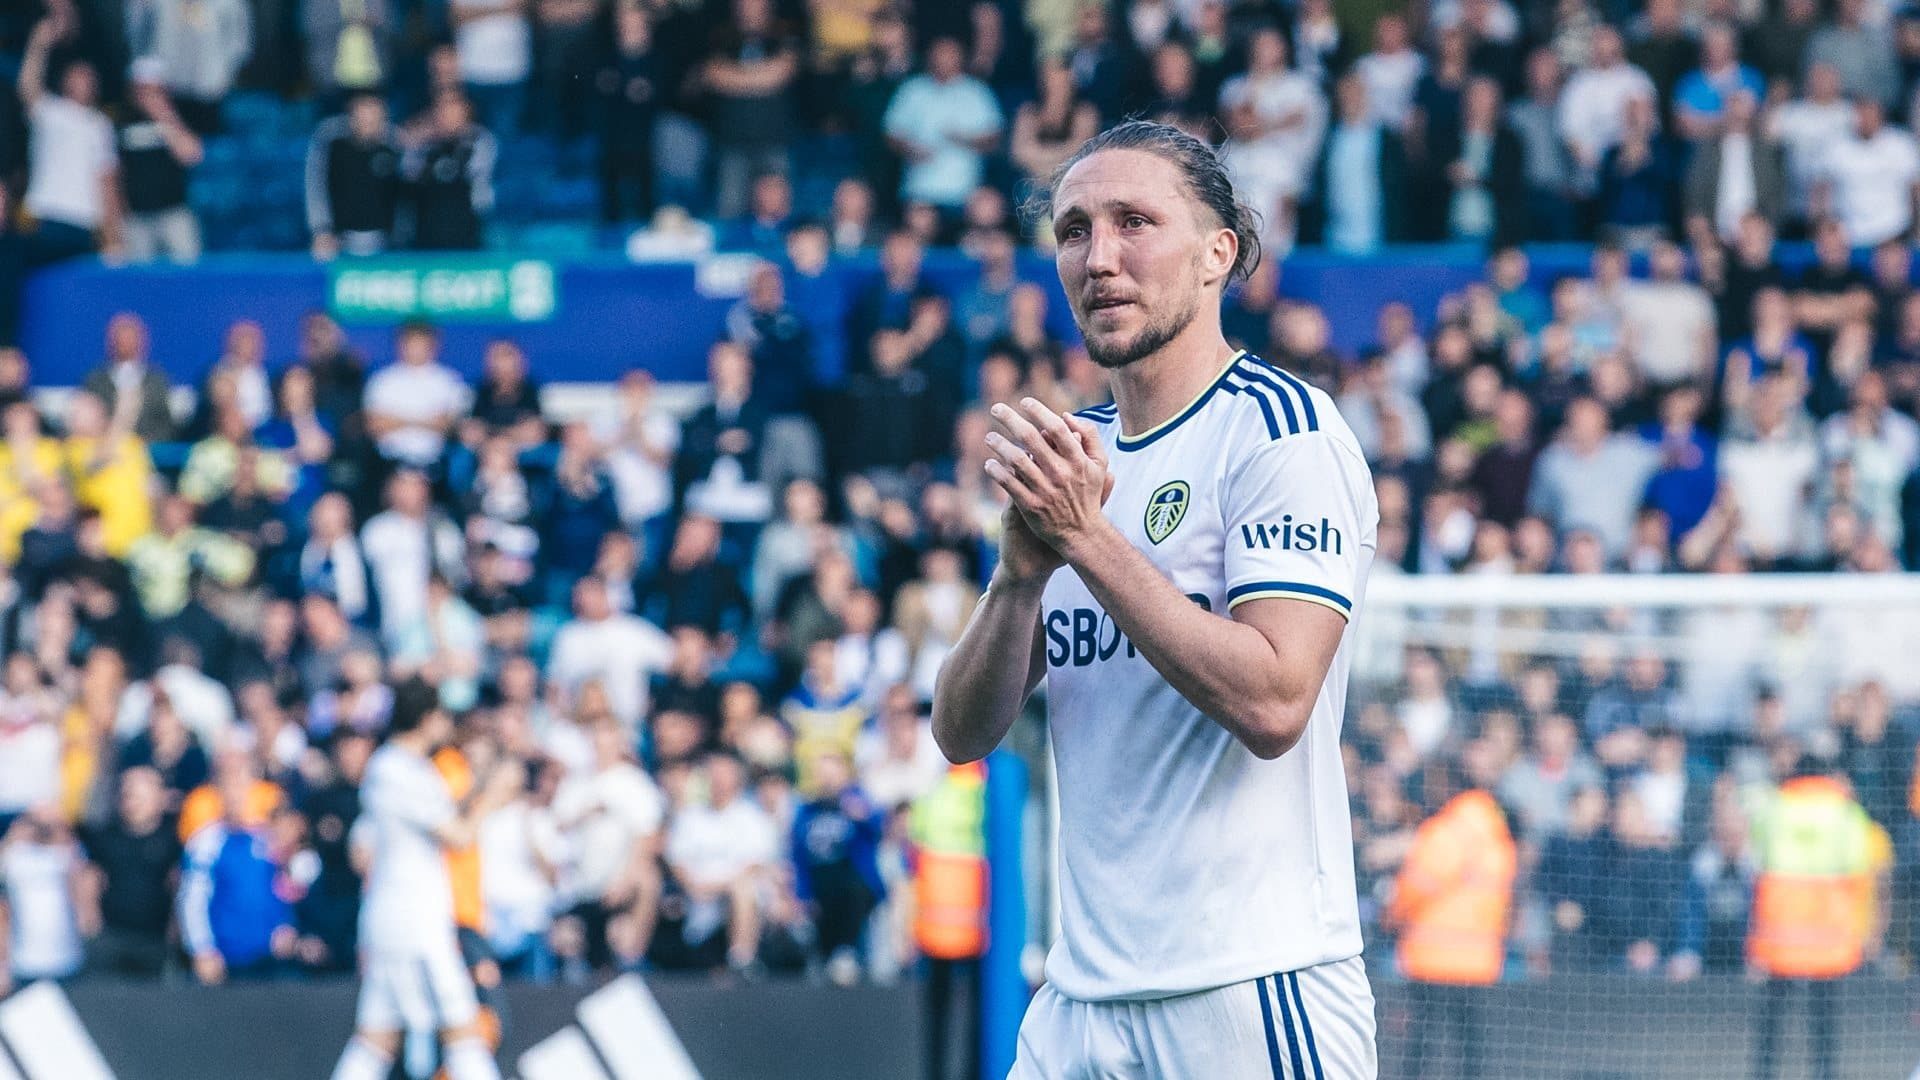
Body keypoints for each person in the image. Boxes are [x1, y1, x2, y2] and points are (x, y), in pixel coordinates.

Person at [934, 120, 1380, 1076]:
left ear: (1221, 252)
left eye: (1136, 222)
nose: (1100, 258)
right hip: (1080, 1003)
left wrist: (1088, 540)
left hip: (1251, 993)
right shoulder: (1078, 455)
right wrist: (1018, 578)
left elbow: (1274, 702)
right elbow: (960, 735)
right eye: (1074, 230)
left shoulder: (1282, 434)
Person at [328, 678, 518, 1080]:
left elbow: (364, 845)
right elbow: (459, 835)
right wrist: (495, 797)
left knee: (376, 1040)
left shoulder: (394, 769)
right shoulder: (399, 770)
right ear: (429, 718)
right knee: (464, 1030)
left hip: (398, 916)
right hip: (414, 921)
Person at [1748, 756, 1882, 1080]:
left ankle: (1763, 1072)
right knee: (1825, 1011)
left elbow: (1757, 857)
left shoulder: (1773, 807)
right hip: (1828, 935)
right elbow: (1861, 870)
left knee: (1773, 1011)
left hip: (1781, 934)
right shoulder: (1845, 812)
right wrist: (1866, 929)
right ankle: (1825, 1072)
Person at [1385, 764, 1517, 1079]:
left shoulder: (1446, 831)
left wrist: (1390, 918)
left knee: (1422, 1046)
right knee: (1471, 1047)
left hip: (1433, 959)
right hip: (1478, 962)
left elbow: (1416, 885)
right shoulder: (1498, 839)